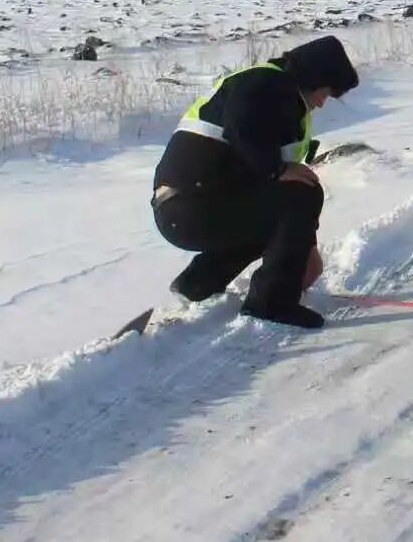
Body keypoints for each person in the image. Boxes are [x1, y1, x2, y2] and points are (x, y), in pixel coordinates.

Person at [150, 35, 359, 329]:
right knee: (303, 193)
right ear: (315, 78)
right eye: (326, 93)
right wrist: (274, 170)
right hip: (192, 207)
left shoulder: (276, 92)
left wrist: (302, 251)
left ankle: (197, 284)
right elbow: (242, 128)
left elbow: (281, 207)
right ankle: (271, 303)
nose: (323, 104)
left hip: (185, 209)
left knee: (285, 208)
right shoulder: (266, 83)